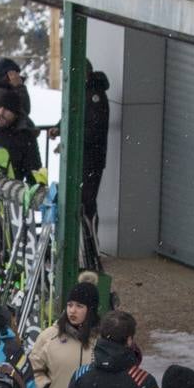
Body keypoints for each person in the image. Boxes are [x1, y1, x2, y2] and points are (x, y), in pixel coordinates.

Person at [82, 68, 110, 269]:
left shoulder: (95, 96)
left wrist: (72, 138)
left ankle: (92, 249)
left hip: (91, 159)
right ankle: (85, 248)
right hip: (84, 159)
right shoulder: (83, 92)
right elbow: (74, 115)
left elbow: (93, 129)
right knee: (83, 203)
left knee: (88, 203)